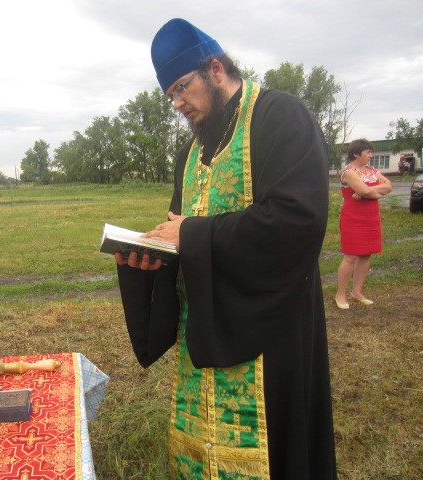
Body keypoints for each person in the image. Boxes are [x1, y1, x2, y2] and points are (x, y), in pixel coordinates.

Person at [113, 18, 336, 479]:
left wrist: (193, 236)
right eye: (170, 95)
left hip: (270, 334)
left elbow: (298, 219)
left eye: (181, 88)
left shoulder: (280, 116)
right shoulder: (190, 152)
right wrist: (149, 257)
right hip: (205, 330)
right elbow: (182, 233)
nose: (178, 103)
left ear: (215, 69)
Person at [334, 139, 391, 309]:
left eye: (371, 152)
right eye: (368, 153)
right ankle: (340, 294)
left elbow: (389, 186)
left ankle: (357, 292)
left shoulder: (372, 171)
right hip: (353, 217)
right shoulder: (348, 172)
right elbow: (364, 190)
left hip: (371, 217)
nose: (371, 156)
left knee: (366, 254)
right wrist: (370, 191)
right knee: (351, 256)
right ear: (356, 154)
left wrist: (368, 192)